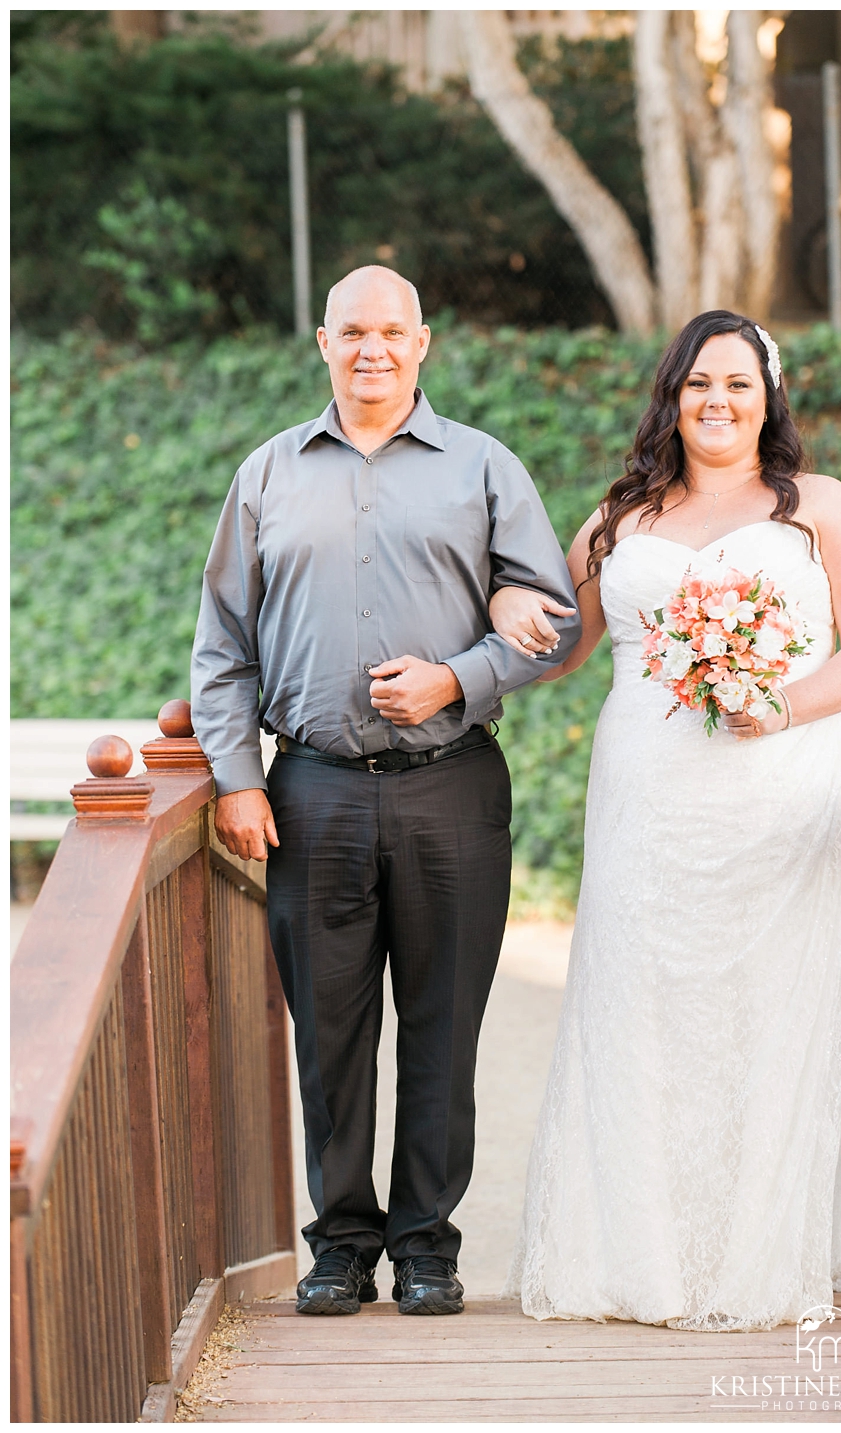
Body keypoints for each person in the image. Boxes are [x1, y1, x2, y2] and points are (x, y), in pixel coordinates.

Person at [488, 310, 841, 1329]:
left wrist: (783, 703)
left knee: (764, 1011)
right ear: (671, 395)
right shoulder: (618, 518)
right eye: (698, 384)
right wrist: (499, 618)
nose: (718, 403)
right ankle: (638, 1262)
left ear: (769, 399)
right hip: (647, 791)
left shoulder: (823, 510)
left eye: (739, 385)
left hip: (778, 786)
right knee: (637, 1004)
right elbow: (559, 644)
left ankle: (752, 1262)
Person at [190, 266, 580, 1317]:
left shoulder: (483, 468)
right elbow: (221, 644)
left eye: (391, 330)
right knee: (328, 1028)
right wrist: (236, 776)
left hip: (451, 786)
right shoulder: (267, 474)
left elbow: (555, 617)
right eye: (352, 329)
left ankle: (425, 1244)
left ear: (423, 343)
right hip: (311, 790)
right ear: (323, 342)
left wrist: (459, 674)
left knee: (443, 1024)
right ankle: (341, 1242)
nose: (372, 346)